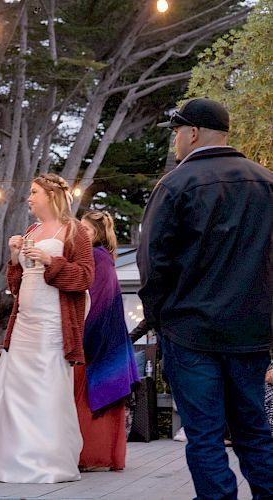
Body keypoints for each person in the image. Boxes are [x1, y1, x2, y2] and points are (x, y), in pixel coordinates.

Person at [137, 98, 273, 500]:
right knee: (254, 431)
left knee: (205, 435)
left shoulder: (176, 184)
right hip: (250, 331)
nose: (175, 142)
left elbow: (154, 262)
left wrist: (160, 318)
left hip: (191, 330)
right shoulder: (266, 181)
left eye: (176, 133)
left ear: (192, 133)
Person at [0, 173, 94, 484]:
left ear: (50, 195)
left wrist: (50, 260)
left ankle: (49, 462)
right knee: (17, 389)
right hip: (25, 322)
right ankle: (15, 461)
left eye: (34, 192)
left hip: (54, 323)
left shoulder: (74, 232)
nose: (29, 198)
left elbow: (85, 277)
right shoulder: (30, 230)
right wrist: (13, 258)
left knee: (46, 388)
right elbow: (15, 286)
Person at [76, 210, 139, 471]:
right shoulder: (103, 258)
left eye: (87, 230)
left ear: (98, 233)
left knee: (89, 399)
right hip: (108, 338)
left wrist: (82, 337)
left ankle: (91, 456)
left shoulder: (97, 258)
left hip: (98, 339)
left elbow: (96, 303)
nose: (81, 233)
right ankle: (102, 455)